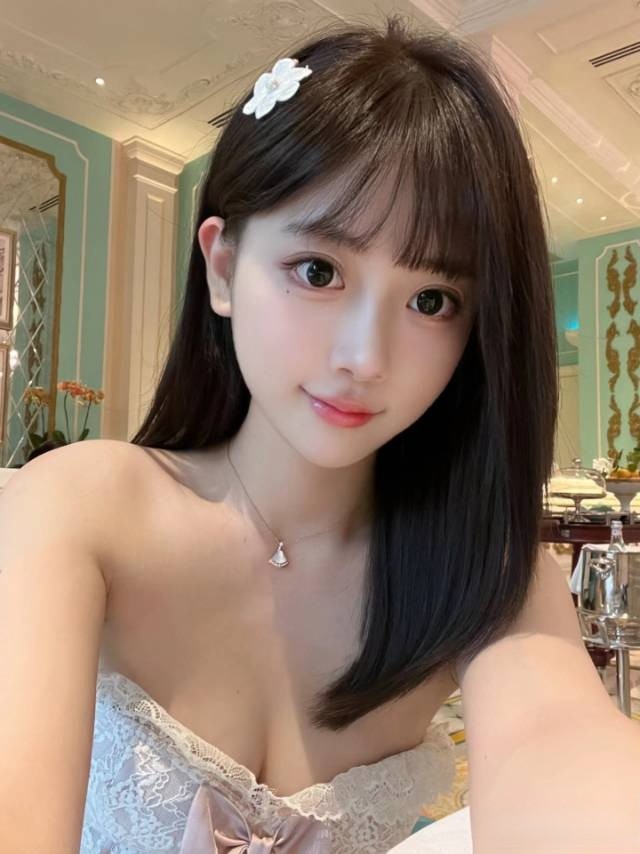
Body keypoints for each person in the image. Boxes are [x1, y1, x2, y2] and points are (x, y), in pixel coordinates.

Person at [0, 14, 638, 854]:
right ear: (223, 267)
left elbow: (562, 749)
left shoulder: (485, 574)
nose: (364, 359)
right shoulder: (81, 509)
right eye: (319, 271)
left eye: (432, 301)